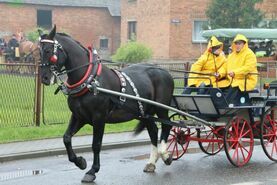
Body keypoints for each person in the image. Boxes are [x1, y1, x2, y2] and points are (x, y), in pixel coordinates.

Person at [218, 34, 258, 106]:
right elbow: (225, 67)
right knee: (217, 86)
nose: (237, 45)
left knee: (234, 87)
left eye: (239, 43)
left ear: (244, 44)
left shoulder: (250, 54)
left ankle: (224, 107)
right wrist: (219, 74)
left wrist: (235, 73)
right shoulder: (231, 55)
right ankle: (215, 107)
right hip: (232, 79)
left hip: (246, 80)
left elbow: (248, 68)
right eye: (236, 43)